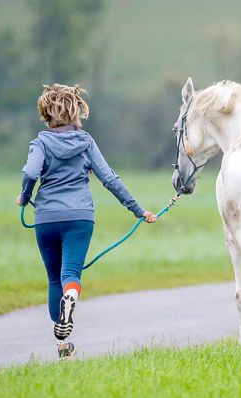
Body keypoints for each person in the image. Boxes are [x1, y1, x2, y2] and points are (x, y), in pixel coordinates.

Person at [17, 83, 157, 359]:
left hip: (46, 218)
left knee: (53, 279)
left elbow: (31, 171)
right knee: (71, 275)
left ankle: (62, 343)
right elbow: (109, 179)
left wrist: (24, 196)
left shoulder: (41, 143)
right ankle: (72, 297)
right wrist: (138, 210)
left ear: (46, 115)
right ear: (76, 113)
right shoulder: (86, 142)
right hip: (80, 217)